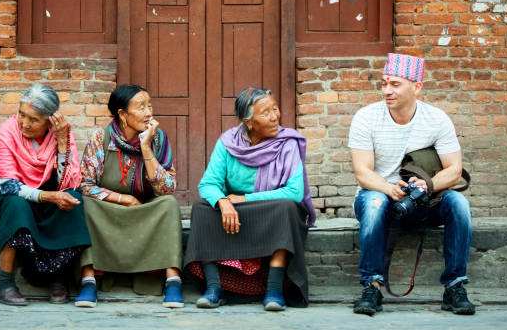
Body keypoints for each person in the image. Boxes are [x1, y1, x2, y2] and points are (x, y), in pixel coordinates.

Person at [348, 53, 475, 315]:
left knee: (459, 204)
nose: (387, 90)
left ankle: (454, 286)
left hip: (425, 201)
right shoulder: (366, 117)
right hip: (379, 196)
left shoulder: (437, 119)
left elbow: (455, 170)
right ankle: (371, 286)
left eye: (395, 84)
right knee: (373, 201)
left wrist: (427, 184)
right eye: (384, 83)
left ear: (417, 86)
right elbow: (362, 172)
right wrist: (389, 188)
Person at [184, 87, 316, 311]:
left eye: (275, 109)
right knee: (202, 208)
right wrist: (223, 202)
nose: (275, 116)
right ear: (249, 122)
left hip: (270, 213)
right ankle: (214, 287)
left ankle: (274, 290)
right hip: (237, 215)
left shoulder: (288, 143)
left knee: (286, 207)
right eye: (266, 112)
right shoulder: (228, 143)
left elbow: (294, 192)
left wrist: (244, 198)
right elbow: (208, 184)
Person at [0, 83, 91, 306]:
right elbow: (8, 185)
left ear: (50, 121)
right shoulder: (8, 130)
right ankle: (5, 283)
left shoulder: (62, 135)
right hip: (4, 195)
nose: (24, 124)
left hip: (45, 194)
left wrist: (61, 142)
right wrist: (49, 196)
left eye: (34, 119)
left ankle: (59, 278)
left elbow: (68, 181)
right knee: (16, 204)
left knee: (72, 199)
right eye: (22, 114)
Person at [74, 84, 183, 308]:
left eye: (150, 106)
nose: (149, 112)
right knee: (84, 204)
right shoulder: (100, 139)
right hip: (110, 212)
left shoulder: (158, 139)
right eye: (141, 107)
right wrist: (123, 199)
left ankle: (173, 281)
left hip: (145, 210)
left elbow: (167, 188)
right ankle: (88, 280)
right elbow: (85, 185)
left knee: (169, 204)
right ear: (122, 114)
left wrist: (146, 148)